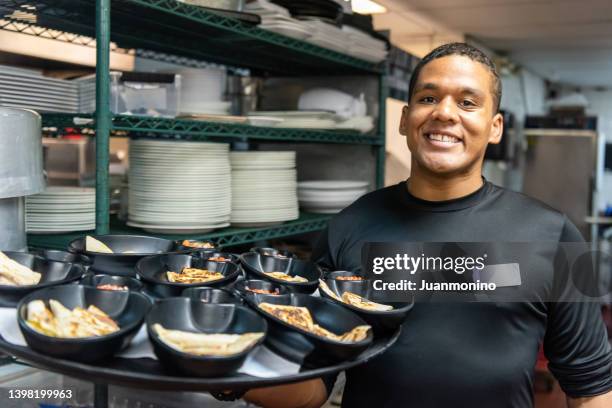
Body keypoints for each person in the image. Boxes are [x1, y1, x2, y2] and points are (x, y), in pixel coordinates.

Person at [245, 43, 612, 408]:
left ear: (495, 126)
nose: (445, 113)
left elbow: (592, 389)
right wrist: (231, 370)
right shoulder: (348, 226)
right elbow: (312, 388)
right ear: (405, 119)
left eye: (468, 102)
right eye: (428, 98)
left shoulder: (557, 236)